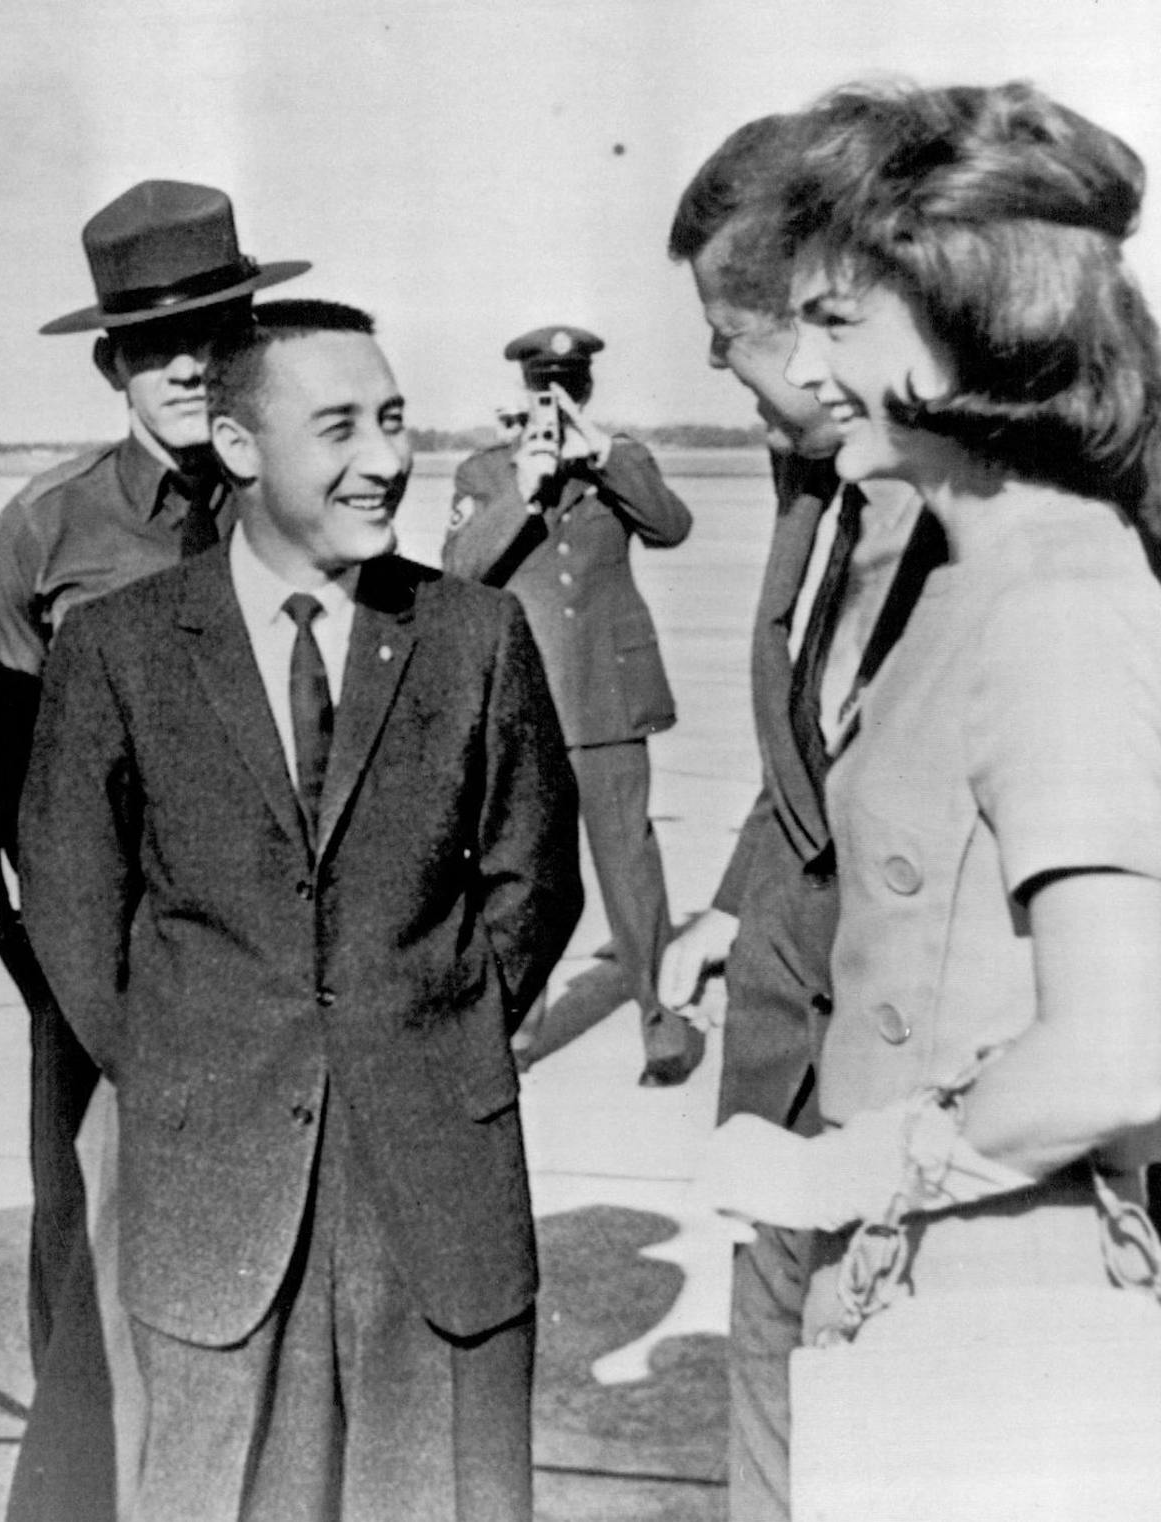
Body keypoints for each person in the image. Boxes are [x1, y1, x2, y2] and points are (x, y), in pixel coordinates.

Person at [21, 299, 582, 1520]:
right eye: (339, 428)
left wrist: (427, 1025)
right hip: (213, 1196)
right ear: (236, 446)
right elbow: (73, 904)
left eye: (392, 420)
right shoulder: (119, 651)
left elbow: (535, 881)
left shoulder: (476, 634)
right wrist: (192, 1062)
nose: (384, 459)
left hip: (437, 1185)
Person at [702, 80, 1161, 1514]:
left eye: (838, 321)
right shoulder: (974, 575)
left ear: (970, 319)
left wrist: (844, 1174)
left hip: (999, 1312)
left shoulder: (1058, 596)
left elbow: (1121, 1052)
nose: (803, 362)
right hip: (924, 1287)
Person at [0, 179, 308, 1519]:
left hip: (279, 980)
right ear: (111, 361)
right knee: (90, 1272)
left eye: (215, 331)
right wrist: (87, 991)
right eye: (153, 340)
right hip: (102, 981)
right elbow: (11, 795)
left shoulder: (302, 509)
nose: (184, 361)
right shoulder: (45, 532)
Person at [661, 113, 936, 1522]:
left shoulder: (1021, 530)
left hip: (920, 1111)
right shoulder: (816, 484)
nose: (723, 367)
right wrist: (730, 895)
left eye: (733, 333)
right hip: (788, 1070)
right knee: (775, 1418)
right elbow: (811, 756)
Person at [444, 325, 700, 1085]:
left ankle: (663, 1026)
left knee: (631, 871)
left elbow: (672, 527)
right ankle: (516, 1037)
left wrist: (607, 458)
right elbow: (459, 570)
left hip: (609, 701)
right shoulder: (487, 471)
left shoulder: (619, 463)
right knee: (522, 879)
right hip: (524, 709)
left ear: (585, 390)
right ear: (522, 391)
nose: (555, 400)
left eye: (571, 386)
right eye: (542, 386)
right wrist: (523, 486)